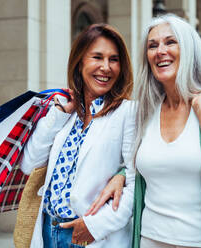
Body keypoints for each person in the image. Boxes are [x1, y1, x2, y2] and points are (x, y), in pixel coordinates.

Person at [86, 14, 201, 248]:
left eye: (170, 42)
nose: (160, 51)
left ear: (189, 50)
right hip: (150, 240)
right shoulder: (145, 109)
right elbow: (148, 161)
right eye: (152, 46)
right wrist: (121, 175)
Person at [20, 23, 136, 248]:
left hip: (93, 236)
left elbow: (136, 183)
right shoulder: (67, 114)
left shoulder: (128, 112)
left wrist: (94, 226)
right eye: (97, 57)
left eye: (113, 59)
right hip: (48, 232)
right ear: (80, 61)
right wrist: (59, 115)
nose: (106, 67)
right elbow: (29, 165)